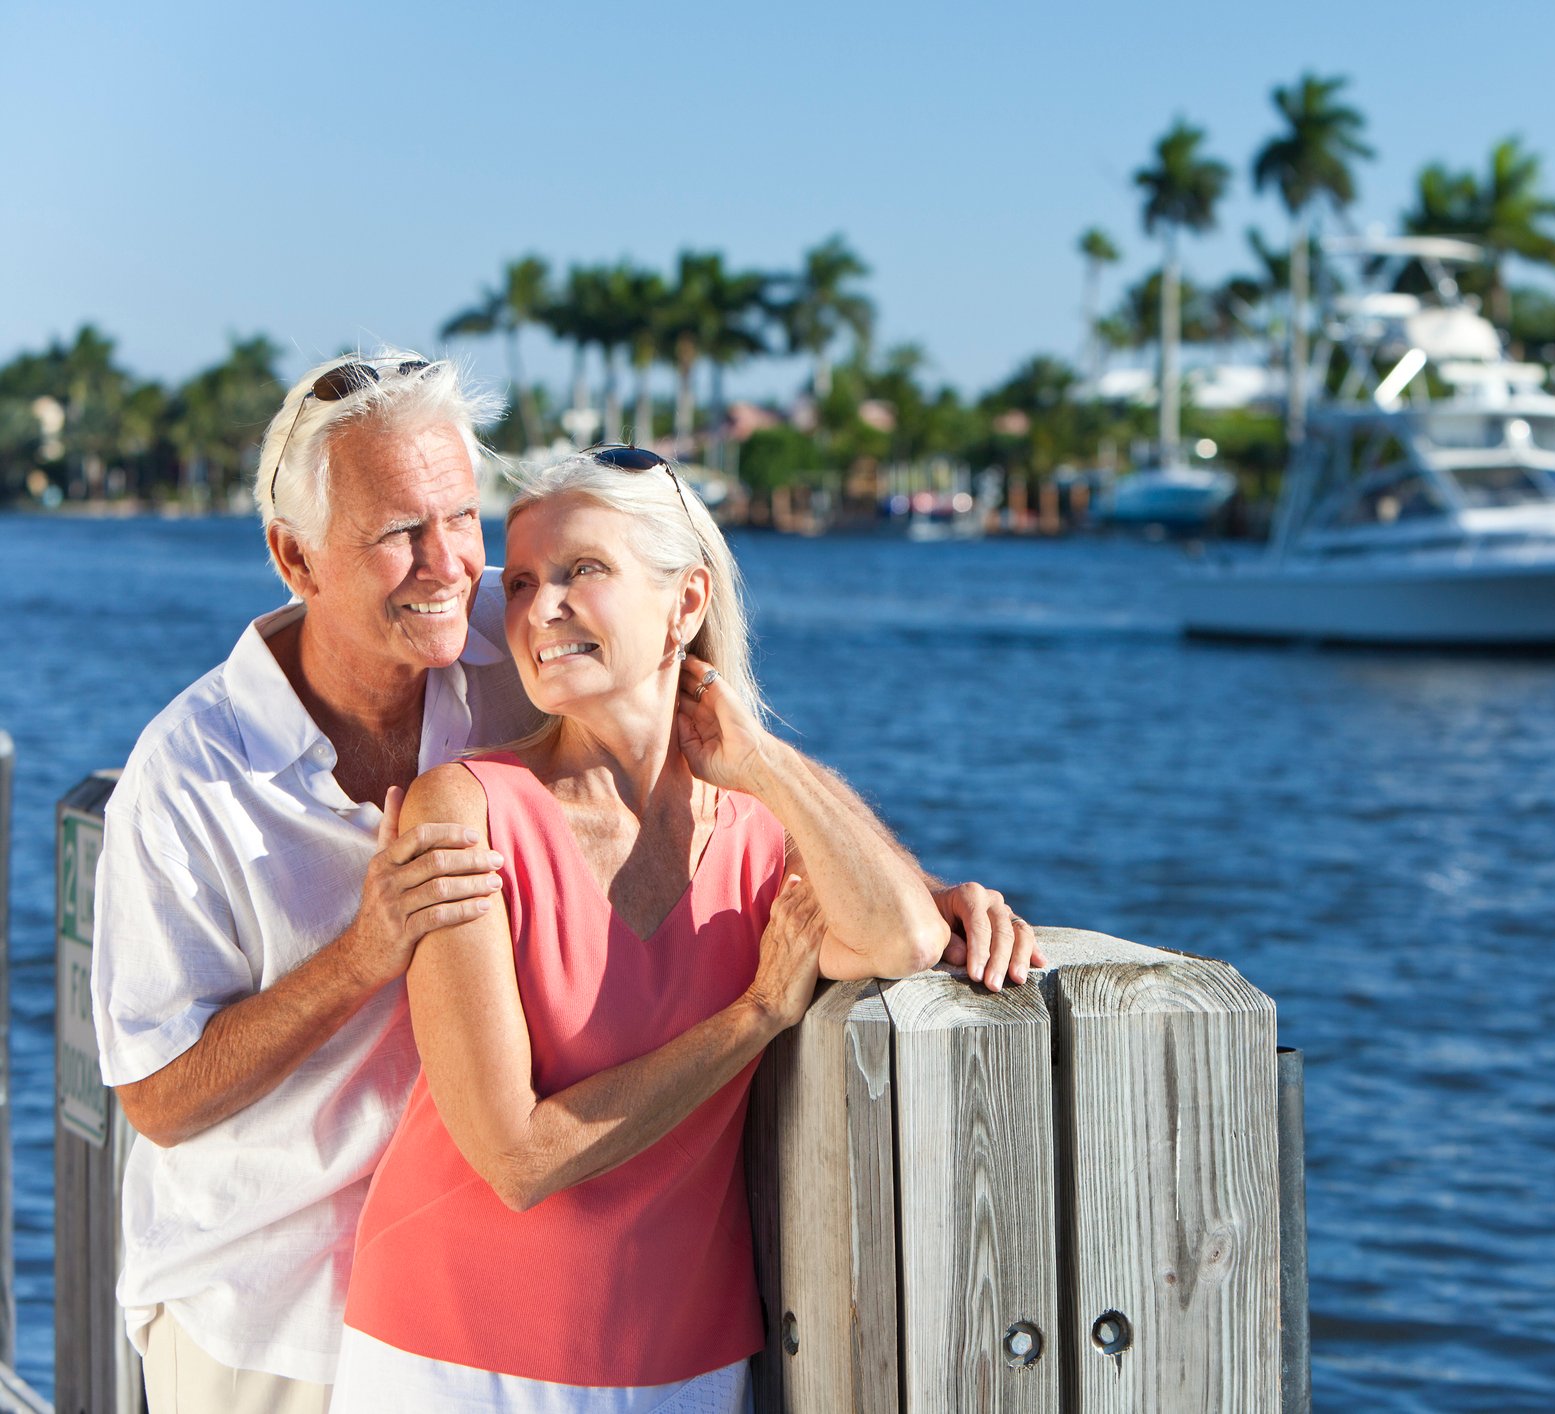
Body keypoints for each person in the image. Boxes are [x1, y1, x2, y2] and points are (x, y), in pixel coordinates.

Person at [90, 351, 1040, 1412]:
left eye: (462, 518)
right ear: (295, 558)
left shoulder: (505, 631)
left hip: (528, 1292)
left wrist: (919, 890)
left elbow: (690, 702)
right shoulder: (191, 775)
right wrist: (366, 950)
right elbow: (157, 1099)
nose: (454, 563)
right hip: (260, 1299)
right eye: (401, 531)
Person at [331, 448, 937, 1408]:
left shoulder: (758, 833)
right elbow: (515, 1158)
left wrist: (763, 761)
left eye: (583, 571)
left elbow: (903, 938)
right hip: (449, 1356)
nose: (540, 609)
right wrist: (756, 1015)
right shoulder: (467, 811)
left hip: (683, 1365)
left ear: (685, 602)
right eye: (522, 582)